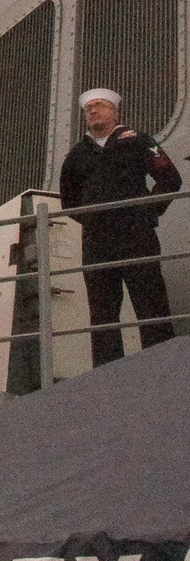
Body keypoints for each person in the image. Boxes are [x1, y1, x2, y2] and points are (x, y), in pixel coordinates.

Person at [59, 88, 177, 367]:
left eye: (100, 106)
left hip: (136, 236)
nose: (93, 112)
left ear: (115, 112)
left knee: (150, 303)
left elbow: (170, 178)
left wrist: (147, 209)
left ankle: (163, 363)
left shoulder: (137, 141)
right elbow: (70, 201)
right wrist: (93, 220)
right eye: (89, 109)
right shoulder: (77, 156)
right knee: (102, 313)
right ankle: (108, 371)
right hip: (97, 243)